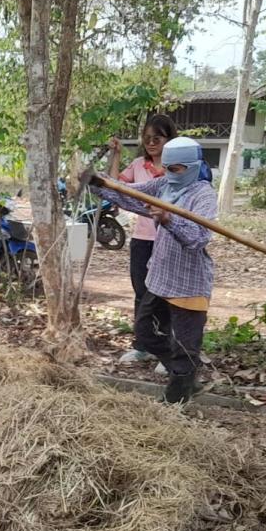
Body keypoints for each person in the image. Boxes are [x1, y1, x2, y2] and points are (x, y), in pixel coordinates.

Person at [89, 137, 217, 403]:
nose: (170, 174)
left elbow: (198, 238)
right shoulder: (163, 184)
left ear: (193, 166)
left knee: (184, 344)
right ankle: (186, 374)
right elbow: (131, 196)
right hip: (159, 275)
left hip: (188, 283)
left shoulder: (203, 195)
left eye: (177, 169)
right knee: (145, 330)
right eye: (167, 168)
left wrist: (168, 218)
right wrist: (98, 182)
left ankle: (177, 397)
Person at [109, 114, 176, 365]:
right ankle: (143, 345)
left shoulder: (177, 167)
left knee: (166, 295)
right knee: (142, 292)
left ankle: (166, 349)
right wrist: (116, 155)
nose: (151, 143)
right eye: (147, 139)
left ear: (168, 139)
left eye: (157, 138)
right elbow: (117, 187)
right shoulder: (138, 165)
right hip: (142, 238)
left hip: (169, 239)